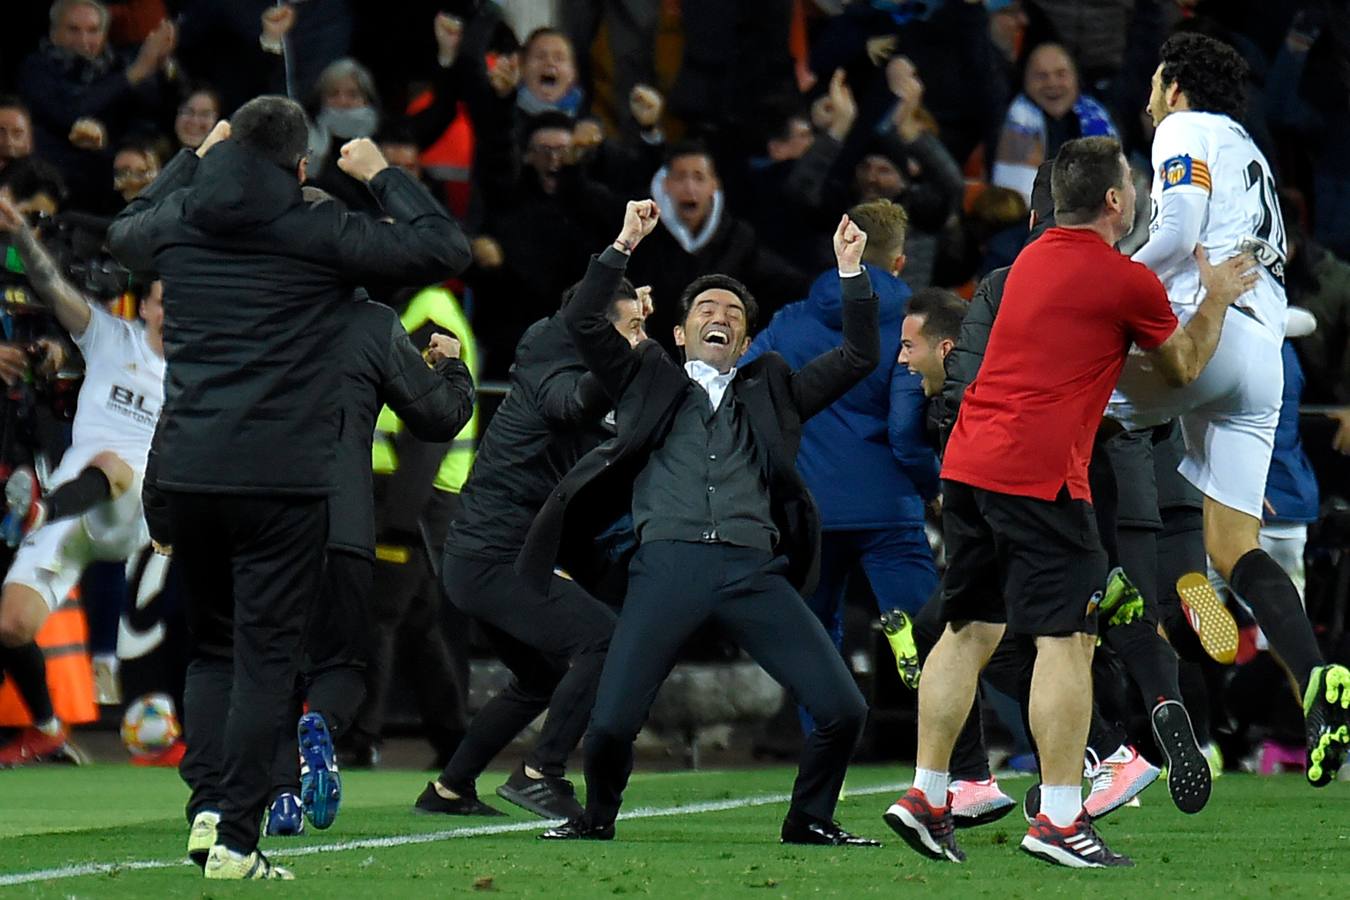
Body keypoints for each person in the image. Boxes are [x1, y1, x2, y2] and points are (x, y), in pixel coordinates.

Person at [107, 97, 469, 881]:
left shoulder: (181, 222)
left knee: (210, 649)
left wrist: (192, 156)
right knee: (269, 660)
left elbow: (120, 234)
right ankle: (238, 839)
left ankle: (207, 810)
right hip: (283, 479)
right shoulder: (320, 232)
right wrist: (381, 176)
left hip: (192, 471)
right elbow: (446, 247)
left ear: (227, 149)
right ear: (302, 167)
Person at [885, 136, 1256, 869]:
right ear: (1117, 201)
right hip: (1041, 475)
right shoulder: (1123, 280)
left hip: (967, 463)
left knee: (968, 628)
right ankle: (1060, 816)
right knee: (1067, 639)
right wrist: (1213, 299)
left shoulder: (1025, 262)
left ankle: (929, 793)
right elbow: (1180, 368)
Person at [532, 200, 880, 846]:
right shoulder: (646, 379)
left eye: (733, 315)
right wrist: (624, 243)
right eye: (705, 311)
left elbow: (860, 354)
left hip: (754, 569)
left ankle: (809, 818)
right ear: (680, 335)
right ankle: (596, 817)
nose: (719, 317)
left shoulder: (773, 386)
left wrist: (851, 270)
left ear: (747, 343)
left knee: (843, 708)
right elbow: (583, 317)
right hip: (666, 566)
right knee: (608, 726)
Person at [1108, 32, 1350, 787]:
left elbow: (1178, 230)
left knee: (1076, 407)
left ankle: (1099, 593)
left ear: (1175, 85)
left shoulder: (1184, 129)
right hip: (1262, 359)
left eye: (1155, 79)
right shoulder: (1250, 148)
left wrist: (1100, 276)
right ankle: (1316, 685)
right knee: (1233, 546)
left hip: (1205, 333)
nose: (1149, 95)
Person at [413, 278, 648, 821]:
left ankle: (450, 789)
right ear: (595, 330)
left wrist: (628, 340)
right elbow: (580, 403)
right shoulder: (559, 379)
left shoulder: (562, 365)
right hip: (494, 556)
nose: (641, 340)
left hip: (487, 553)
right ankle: (541, 773)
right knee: (602, 640)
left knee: (542, 676)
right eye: (633, 328)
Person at [263, 269, 476, 837]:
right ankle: (455, 743)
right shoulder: (402, 311)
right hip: (406, 495)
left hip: (409, 498)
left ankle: (357, 740)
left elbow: (426, 428)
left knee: (376, 619)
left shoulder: (423, 313)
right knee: (418, 625)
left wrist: (399, 519)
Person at [742, 199, 938, 733]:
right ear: (899, 264)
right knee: (941, 633)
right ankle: (962, 766)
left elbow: (738, 389)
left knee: (815, 645)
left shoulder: (789, 323)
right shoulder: (908, 324)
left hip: (809, 509)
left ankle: (824, 769)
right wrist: (932, 485)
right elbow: (905, 429)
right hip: (890, 507)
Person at [0, 192, 162, 768]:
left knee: (116, 466)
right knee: (13, 625)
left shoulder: (202, 372)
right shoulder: (112, 340)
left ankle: (38, 511)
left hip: (130, 513)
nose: (176, 312)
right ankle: (47, 725)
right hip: (71, 512)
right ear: (144, 306)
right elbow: (52, 288)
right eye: (166, 302)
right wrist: (20, 233)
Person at [627, 143, 809, 353]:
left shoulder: (737, 237)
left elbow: (782, 279)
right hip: (651, 357)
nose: (689, 187)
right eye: (680, 177)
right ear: (665, 184)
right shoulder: (641, 233)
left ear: (714, 185)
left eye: (698, 177)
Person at [18, 0, 175, 206]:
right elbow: (69, 112)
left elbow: (154, 110)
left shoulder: (117, 65)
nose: (83, 40)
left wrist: (166, 69)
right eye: (73, 30)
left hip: (112, 183)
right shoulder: (36, 68)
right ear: (54, 32)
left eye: (93, 31)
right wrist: (133, 74)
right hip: (58, 184)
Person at [991, 43, 1116, 202]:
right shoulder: (1010, 121)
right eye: (1041, 76)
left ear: (1076, 78)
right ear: (1025, 81)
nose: (1052, 83)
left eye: (1061, 74)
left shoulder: (1098, 114)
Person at [0, 98, 34, 176]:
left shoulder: (46, 183)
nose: (8, 142)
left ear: (29, 141)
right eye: (0, 131)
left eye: (17, 134)